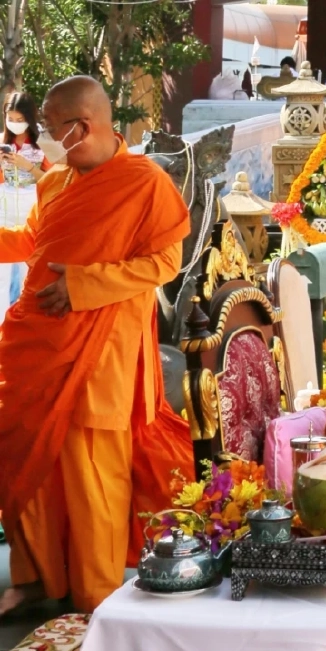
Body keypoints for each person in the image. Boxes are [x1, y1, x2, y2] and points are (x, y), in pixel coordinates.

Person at [0, 76, 193, 618]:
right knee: (30, 464)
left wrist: (83, 285)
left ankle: (97, 599)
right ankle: (38, 577)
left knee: (91, 477)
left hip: (101, 349)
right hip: (38, 343)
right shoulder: (55, 183)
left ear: (80, 127)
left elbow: (164, 263)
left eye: (47, 127)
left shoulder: (144, 183)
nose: (41, 137)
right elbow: (38, 243)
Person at [0, 92, 48, 316]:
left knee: (28, 276)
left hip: (32, 215)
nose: (15, 124)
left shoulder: (44, 144)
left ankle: (23, 324)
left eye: (20, 120)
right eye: (10, 119)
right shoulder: (2, 141)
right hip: (4, 213)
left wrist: (26, 165)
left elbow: (53, 179)